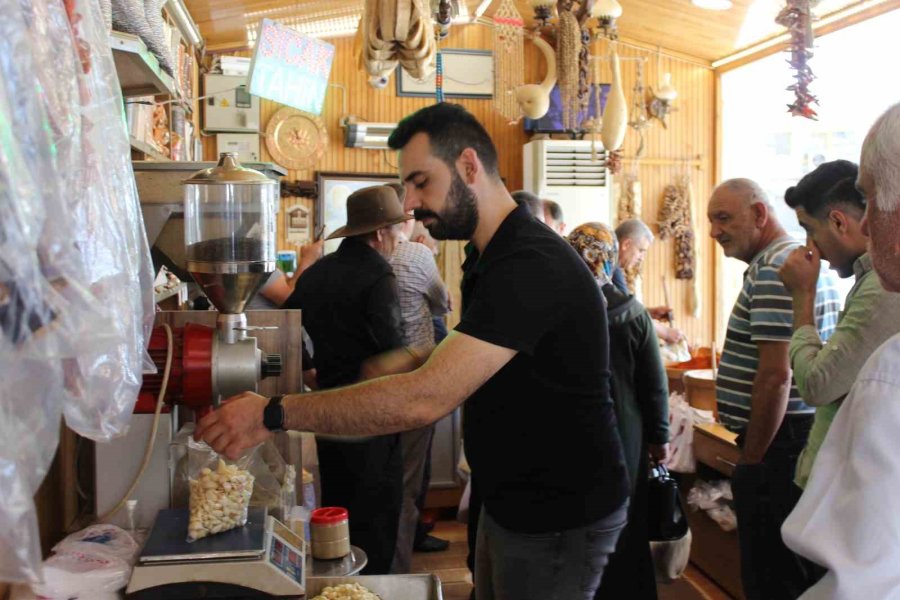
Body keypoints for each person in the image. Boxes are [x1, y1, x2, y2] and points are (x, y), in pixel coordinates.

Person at [195, 103, 629, 600]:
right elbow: (494, 358)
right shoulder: (487, 256)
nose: (410, 203)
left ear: (469, 166)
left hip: (558, 514)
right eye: (407, 186)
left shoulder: (530, 263)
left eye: (422, 182)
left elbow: (423, 400)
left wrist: (271, 413)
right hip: (512, 499)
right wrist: (423, 356)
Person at [782, 103, 900, 599]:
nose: (867, 225)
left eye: (872, 202)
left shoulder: (881, 304)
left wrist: (801, 299)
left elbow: (817, 383)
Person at [707, 178, 841, 600]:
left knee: (771, 577)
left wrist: (751, 460)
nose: (714, 232)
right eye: (711, 220)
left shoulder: (774, 270)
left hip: (779, 445)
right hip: (791, 439)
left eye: (724, 218)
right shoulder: (784, 264)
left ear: (760, 215)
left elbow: (776, 376)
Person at [280, 185, 412, 574]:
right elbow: (394, 347)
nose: (398, 238)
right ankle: (372, 589)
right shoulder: (379, 275)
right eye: (395, 230)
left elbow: (287, 326)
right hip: (373, 411)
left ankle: (339, 585)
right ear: (377, 234)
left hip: (328, 407)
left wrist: (308, 369)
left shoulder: (317, 273)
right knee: (378, 513)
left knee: (338, 509)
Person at [779, 160, 900, 490]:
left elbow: (818, 384)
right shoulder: (871, 281)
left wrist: (802, 296)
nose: (808, 247)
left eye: (809, 230)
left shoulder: (882, 289)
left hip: (845, 492)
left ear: (837, 222)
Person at [566, 223, 670, 600]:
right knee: (625, 519)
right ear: (609, 258)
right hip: (624, 432)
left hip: (571, 435)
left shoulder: (555, 309)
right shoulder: (632, 313)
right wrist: (660, 439)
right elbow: (654, 385)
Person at [385, 184, 452, 571]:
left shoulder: (364, 257)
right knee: (409, 478)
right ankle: (399, 567)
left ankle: (380, 559)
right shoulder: (416, 255)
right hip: (415, 375)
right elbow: (443, 303)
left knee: (383, 475)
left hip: (373, 379)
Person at [613, 218, 685, 344]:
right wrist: (666, 332)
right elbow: (628, 313)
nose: (641, 258)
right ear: (626, 245)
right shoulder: (611, 267)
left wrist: (648, 313)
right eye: (641, 251)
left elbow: (623, 309)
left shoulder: (612, 265)